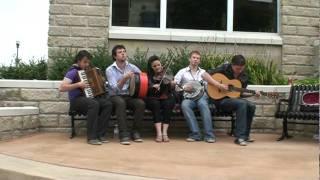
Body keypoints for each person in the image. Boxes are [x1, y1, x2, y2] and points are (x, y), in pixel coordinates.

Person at [59, 50, 113, 145]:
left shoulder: (88, 71)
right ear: (78, 61)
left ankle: (101, 134)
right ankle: (92, 137)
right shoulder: (73, 71)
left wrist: (101, 81)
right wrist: (78, 84)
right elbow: (62, 88)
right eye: (85, 62)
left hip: (88, 99)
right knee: (94, 103)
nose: (87, 64)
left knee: (107, 104)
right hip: (76, 101)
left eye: (88, 62)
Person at [174, 50, 228, 143]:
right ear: (189, 59)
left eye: (198, 58)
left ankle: (209, 135)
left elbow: (212, 82)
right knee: (185, 105)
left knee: (203, 105)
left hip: (201, 96)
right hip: (188, 97)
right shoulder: (182, 72)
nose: (195, 60)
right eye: (194, 57)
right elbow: (175, 86)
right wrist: (184, 87)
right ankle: (195, 134)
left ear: (199, 61)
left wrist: (220, 86)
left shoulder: (203, 72)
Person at [208, 55, 260, 146]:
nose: (239, 71)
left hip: (234, 101)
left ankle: (245, 136)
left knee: (251, 106)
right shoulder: (224, 68)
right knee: (242, 104)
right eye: (237, 68)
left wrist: (253, 94)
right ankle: (239, 137)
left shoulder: (244, 76)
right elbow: (205, 74)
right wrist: (219, 85)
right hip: (219, 100)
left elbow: (240, 94)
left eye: (241, 69)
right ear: (232, 65)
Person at [106, 45, 145, 145]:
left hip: (128, 95)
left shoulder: (132, 67)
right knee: (120, 103)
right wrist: (124, 78)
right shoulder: (110, 70)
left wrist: (137, 82)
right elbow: (115, 89)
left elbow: (142, 78)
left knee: (140, 103)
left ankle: (135, 132)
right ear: (115, 56)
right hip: (114, 96)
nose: (123, 53)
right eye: (120, 52)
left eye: (124, 51)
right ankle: (123, 135)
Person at [145, 55, 175, 142]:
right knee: (155, 104)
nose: (157, 67)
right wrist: (152, 86)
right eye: (154, 66)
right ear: (151, 68)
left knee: (168, 103)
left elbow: (171, 87)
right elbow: (146, 89)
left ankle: (165, 132)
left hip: (165, 96)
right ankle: (159, 133)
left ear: (161, 64)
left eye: (158, 65)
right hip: (153, 97)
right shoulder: (148, 76)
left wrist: (172, 83)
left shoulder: (166, 74)